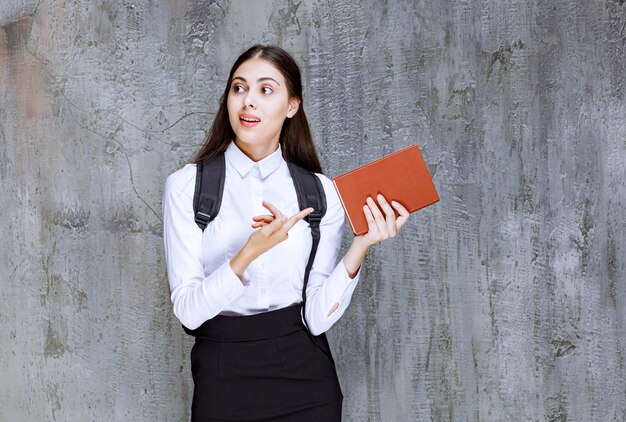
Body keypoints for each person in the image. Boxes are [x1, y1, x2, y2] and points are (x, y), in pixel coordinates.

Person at [162, 44, 410, 421]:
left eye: (265, 90)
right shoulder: (187, 186)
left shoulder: (320, 192)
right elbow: (189, 313)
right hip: (222, 376)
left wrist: (361, 245)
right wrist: (248, 254)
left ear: (291, 106)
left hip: (306, 379)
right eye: (238, 88)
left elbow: (315, 318)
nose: (248, 102)